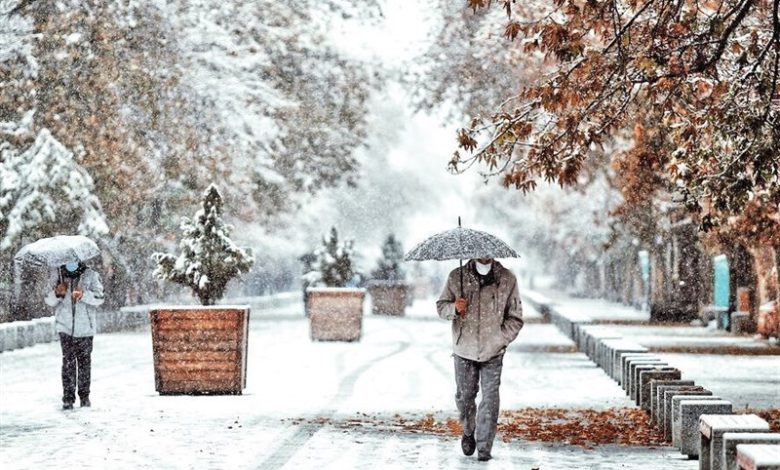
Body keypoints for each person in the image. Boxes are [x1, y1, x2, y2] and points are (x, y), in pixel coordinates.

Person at [437, 257, 524, 461]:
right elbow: (441, 306)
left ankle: (484, 447)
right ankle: (469, 430)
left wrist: (501, 338)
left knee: (490, 399)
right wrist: (454, 308)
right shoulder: (456, 276)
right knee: (465, 396)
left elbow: (516, 317)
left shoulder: (507, 279)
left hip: (493, 351)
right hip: (464, 349)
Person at [45, 261, 104, 410]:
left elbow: (99, 298)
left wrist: (84, 295)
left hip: (85, 328)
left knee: (84, 363)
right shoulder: (57, 275)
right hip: (65, 327)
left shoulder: (90, 275)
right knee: (68, 363)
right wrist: (58, 293)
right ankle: (68, 398)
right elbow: (49, 300)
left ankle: (84, 397)